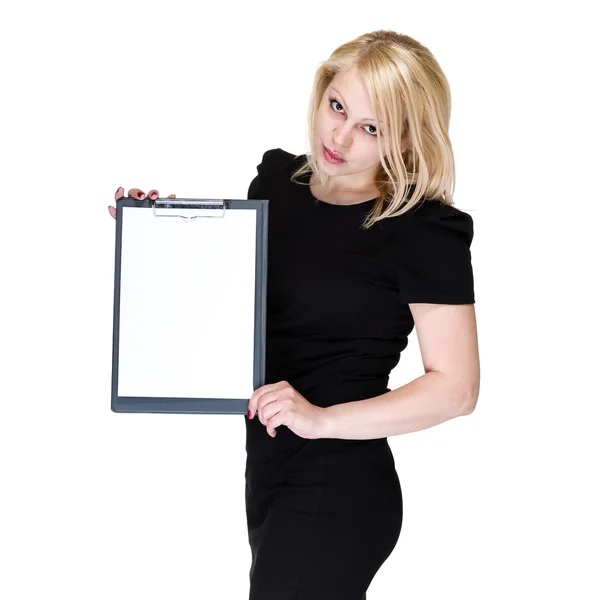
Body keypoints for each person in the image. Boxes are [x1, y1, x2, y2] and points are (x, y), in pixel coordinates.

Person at [108, 29, 480, 600]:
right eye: (338, 106)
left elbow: (457, 390)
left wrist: (322, 420)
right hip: (269, 467)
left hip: (339, 484)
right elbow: (240, 312)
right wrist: (154, 236)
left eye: (371, 127)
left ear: (406, 141)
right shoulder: (277, 186)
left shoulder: (422, 230)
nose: (341, 135)